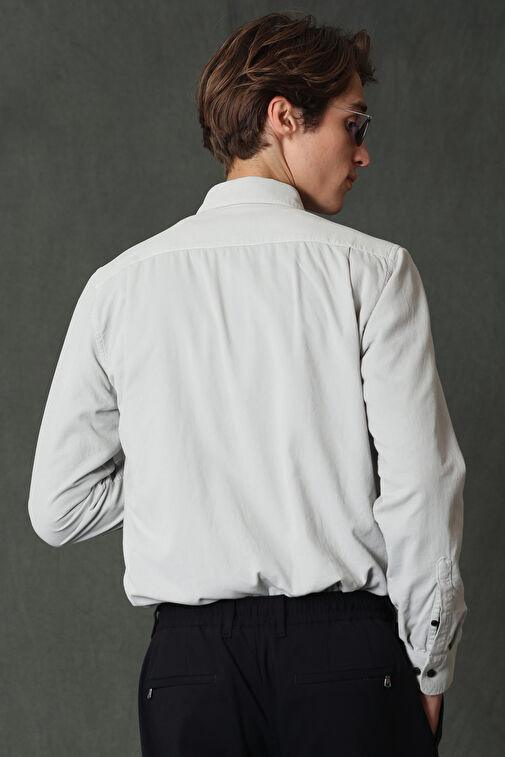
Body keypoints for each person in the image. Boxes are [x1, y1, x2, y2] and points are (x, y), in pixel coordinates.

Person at [27, 11, 467, 756]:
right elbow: (421, 486)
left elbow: (56, 505)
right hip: (346, 664)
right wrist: (430, 663)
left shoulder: (119, 285)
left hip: (188, 672)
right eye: (353, 124)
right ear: (283, 116)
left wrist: (193, 452)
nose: (363, 153)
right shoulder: (371, 270)